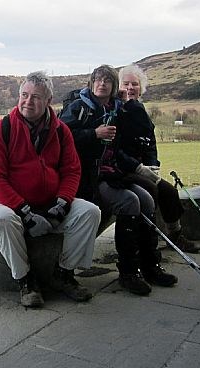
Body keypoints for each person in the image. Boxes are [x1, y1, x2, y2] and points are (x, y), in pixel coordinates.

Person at [0, 70, 101, 308]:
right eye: (24, 95)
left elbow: (71, 171)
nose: (28, 101)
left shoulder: (60, 131)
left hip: (50, 203)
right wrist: (24, 212)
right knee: (3, 221)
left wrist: (62, 204)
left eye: (36, 97)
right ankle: (25, 280)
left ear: (48, 102)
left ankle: (64, 274)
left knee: (90, 212)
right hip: (7, 205)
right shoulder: (1, 129)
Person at [60, 65, 178, 296]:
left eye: (107, 81)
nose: (102, 84)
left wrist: (138, 168)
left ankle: (149, 265)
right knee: (129, 202)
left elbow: (116, 149)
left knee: (147, 199)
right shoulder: (79, 108)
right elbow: (61, 138)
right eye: (98, 80)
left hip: (111, 172)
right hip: (88, 178)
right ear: (91, 83)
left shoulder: (113, 110)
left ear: (114, 87)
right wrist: (93, 134)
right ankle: (128, 272)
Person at [118, 64, 199, 253]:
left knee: (169, 192)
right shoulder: (117, 111)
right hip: (123, 169)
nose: (130, 88)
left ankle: (175, 234)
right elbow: (115, 149)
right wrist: (138, 168)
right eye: (126, 83)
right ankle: (145, 244)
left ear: (141, 88)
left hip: (143, 168)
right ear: (119, 86)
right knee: (150, 191)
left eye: (135, 84)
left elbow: (150, 143)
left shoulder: (140, 110)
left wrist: (153, 166)